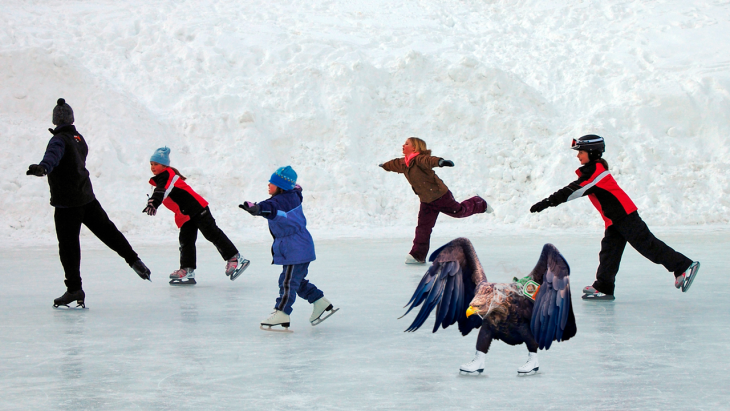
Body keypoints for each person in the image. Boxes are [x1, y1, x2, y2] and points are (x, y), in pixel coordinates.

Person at [529, 135, 700, 300]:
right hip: (614, 220)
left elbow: (572, 191)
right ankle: (604, 287)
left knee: (648, 246)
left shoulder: (595, 174)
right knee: (609, 253)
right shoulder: (593, 171)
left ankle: (684, 266)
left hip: (625, 216)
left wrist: (546, 202)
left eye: (580, 152)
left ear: (591, 152)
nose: (578, 156)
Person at [26, 98, 151, 309]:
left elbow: (52, 156)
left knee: (69, 248)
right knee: (109, 232)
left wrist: (43, 168)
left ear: (56, 120)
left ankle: (74, 288)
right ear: (71, 118)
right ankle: (133, 259)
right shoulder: (78, 138)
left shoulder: (59, 140)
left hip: (68, 205)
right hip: (87, 197)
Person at [239, 166, 337, 331]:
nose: (268, 185)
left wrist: (257, 209)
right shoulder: (291, 196)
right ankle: (320, 302)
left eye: (272, 183)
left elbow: (271, 207)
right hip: (298, 247)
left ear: (281, 187)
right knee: (294, 281)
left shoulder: (283, 201)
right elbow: (280, 200)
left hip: (296, 248)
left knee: (288, 282)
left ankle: (282, 312)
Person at [143, 147, 249, 285]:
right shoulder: (161, 179)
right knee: (186, 240)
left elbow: (162, 191)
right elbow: (161, 191)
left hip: (197, 208)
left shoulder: (168, 175)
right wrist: (153, 202)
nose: (152, 167)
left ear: (164, 165)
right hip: (186, 214)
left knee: (212, 234)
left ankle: (235, 258)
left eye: (155, 164)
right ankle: (187, 270)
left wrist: (154, 202)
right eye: (151, 164)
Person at [379, 137, 493, 264]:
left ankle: (479, 203)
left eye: (407, 144)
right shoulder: (404, 163)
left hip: (440, 196)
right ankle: (417, 255)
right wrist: (385, 166)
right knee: (423, 228)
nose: (403, 145)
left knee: (459, 211)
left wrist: (440, 162)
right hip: (426, 201)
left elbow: (429, 160)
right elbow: (394, 164)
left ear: (415, 148)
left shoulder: (419, 159)